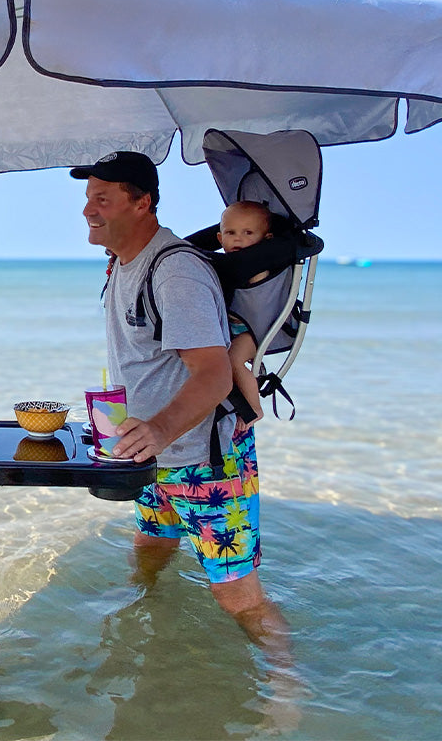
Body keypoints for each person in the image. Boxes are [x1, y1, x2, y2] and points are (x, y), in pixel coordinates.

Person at [71, 152, 290, 659]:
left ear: (142, 202)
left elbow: (213, 373)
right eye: (87, 199)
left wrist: (159, 430)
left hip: (202, 456)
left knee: (236, 593)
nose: (88, 210)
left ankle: (287, 689)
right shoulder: (124, 263)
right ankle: (149, 624)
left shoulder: (176, 274)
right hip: (153, 452)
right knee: (151, 546)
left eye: (103, 199)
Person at [218, 200, 274, 426]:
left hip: (253, 329)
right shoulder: (229, 265)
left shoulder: (258, 266)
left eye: (248, 232)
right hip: (234, 328)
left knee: (233, 360)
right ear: (220, 239)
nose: (238, 238)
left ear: (266, 240)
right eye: (231, 232)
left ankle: (254, 408)